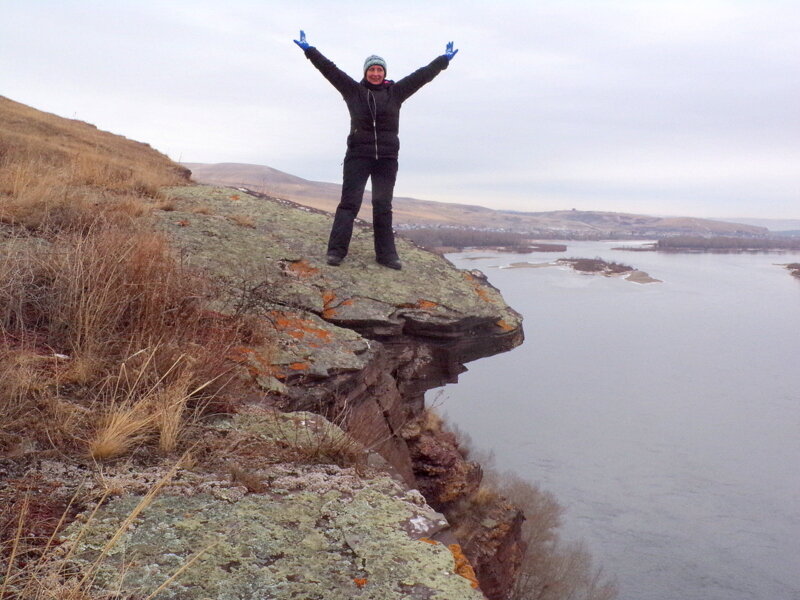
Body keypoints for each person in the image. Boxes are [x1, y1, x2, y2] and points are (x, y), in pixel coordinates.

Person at [293, 30, 458, 270]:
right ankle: (336, 252)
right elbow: (330, 70)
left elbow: (422, 76)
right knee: (349, 203)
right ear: (366, 72)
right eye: (372, 69)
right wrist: (310, 50)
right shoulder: (354, 91)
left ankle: (386, 256)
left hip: (387, 159)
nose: (376, 73)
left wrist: (442, 61)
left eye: (379, 69)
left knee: (383, 206)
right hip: (358, 156)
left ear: (384, 73)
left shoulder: (396, 93)